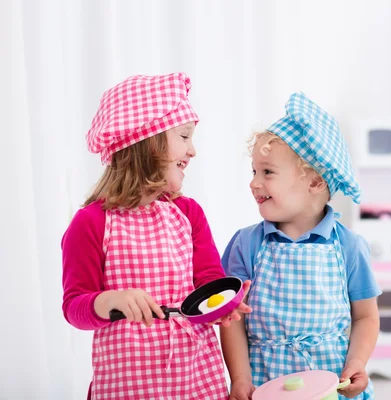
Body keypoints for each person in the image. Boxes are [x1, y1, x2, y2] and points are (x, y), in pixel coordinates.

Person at [61, 72, 250, 400]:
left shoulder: (188, 214)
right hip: (128, 385)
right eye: (184, 136)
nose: (193, 151)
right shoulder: (91, 222)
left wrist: (225, 304)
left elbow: (208, 283)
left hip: (197, 378)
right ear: (147, 142)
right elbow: (75, 306)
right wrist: (110, 300)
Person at [220, 92, 381, 399]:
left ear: (315, 182)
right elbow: (232, 319)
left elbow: (365, 316)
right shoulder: (246, 244)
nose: (254, 182)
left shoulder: (349, 246)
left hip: (331, 384)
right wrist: (239, 378)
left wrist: (357, 364)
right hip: (265, 382)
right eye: (254, 171)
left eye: (267, 172)